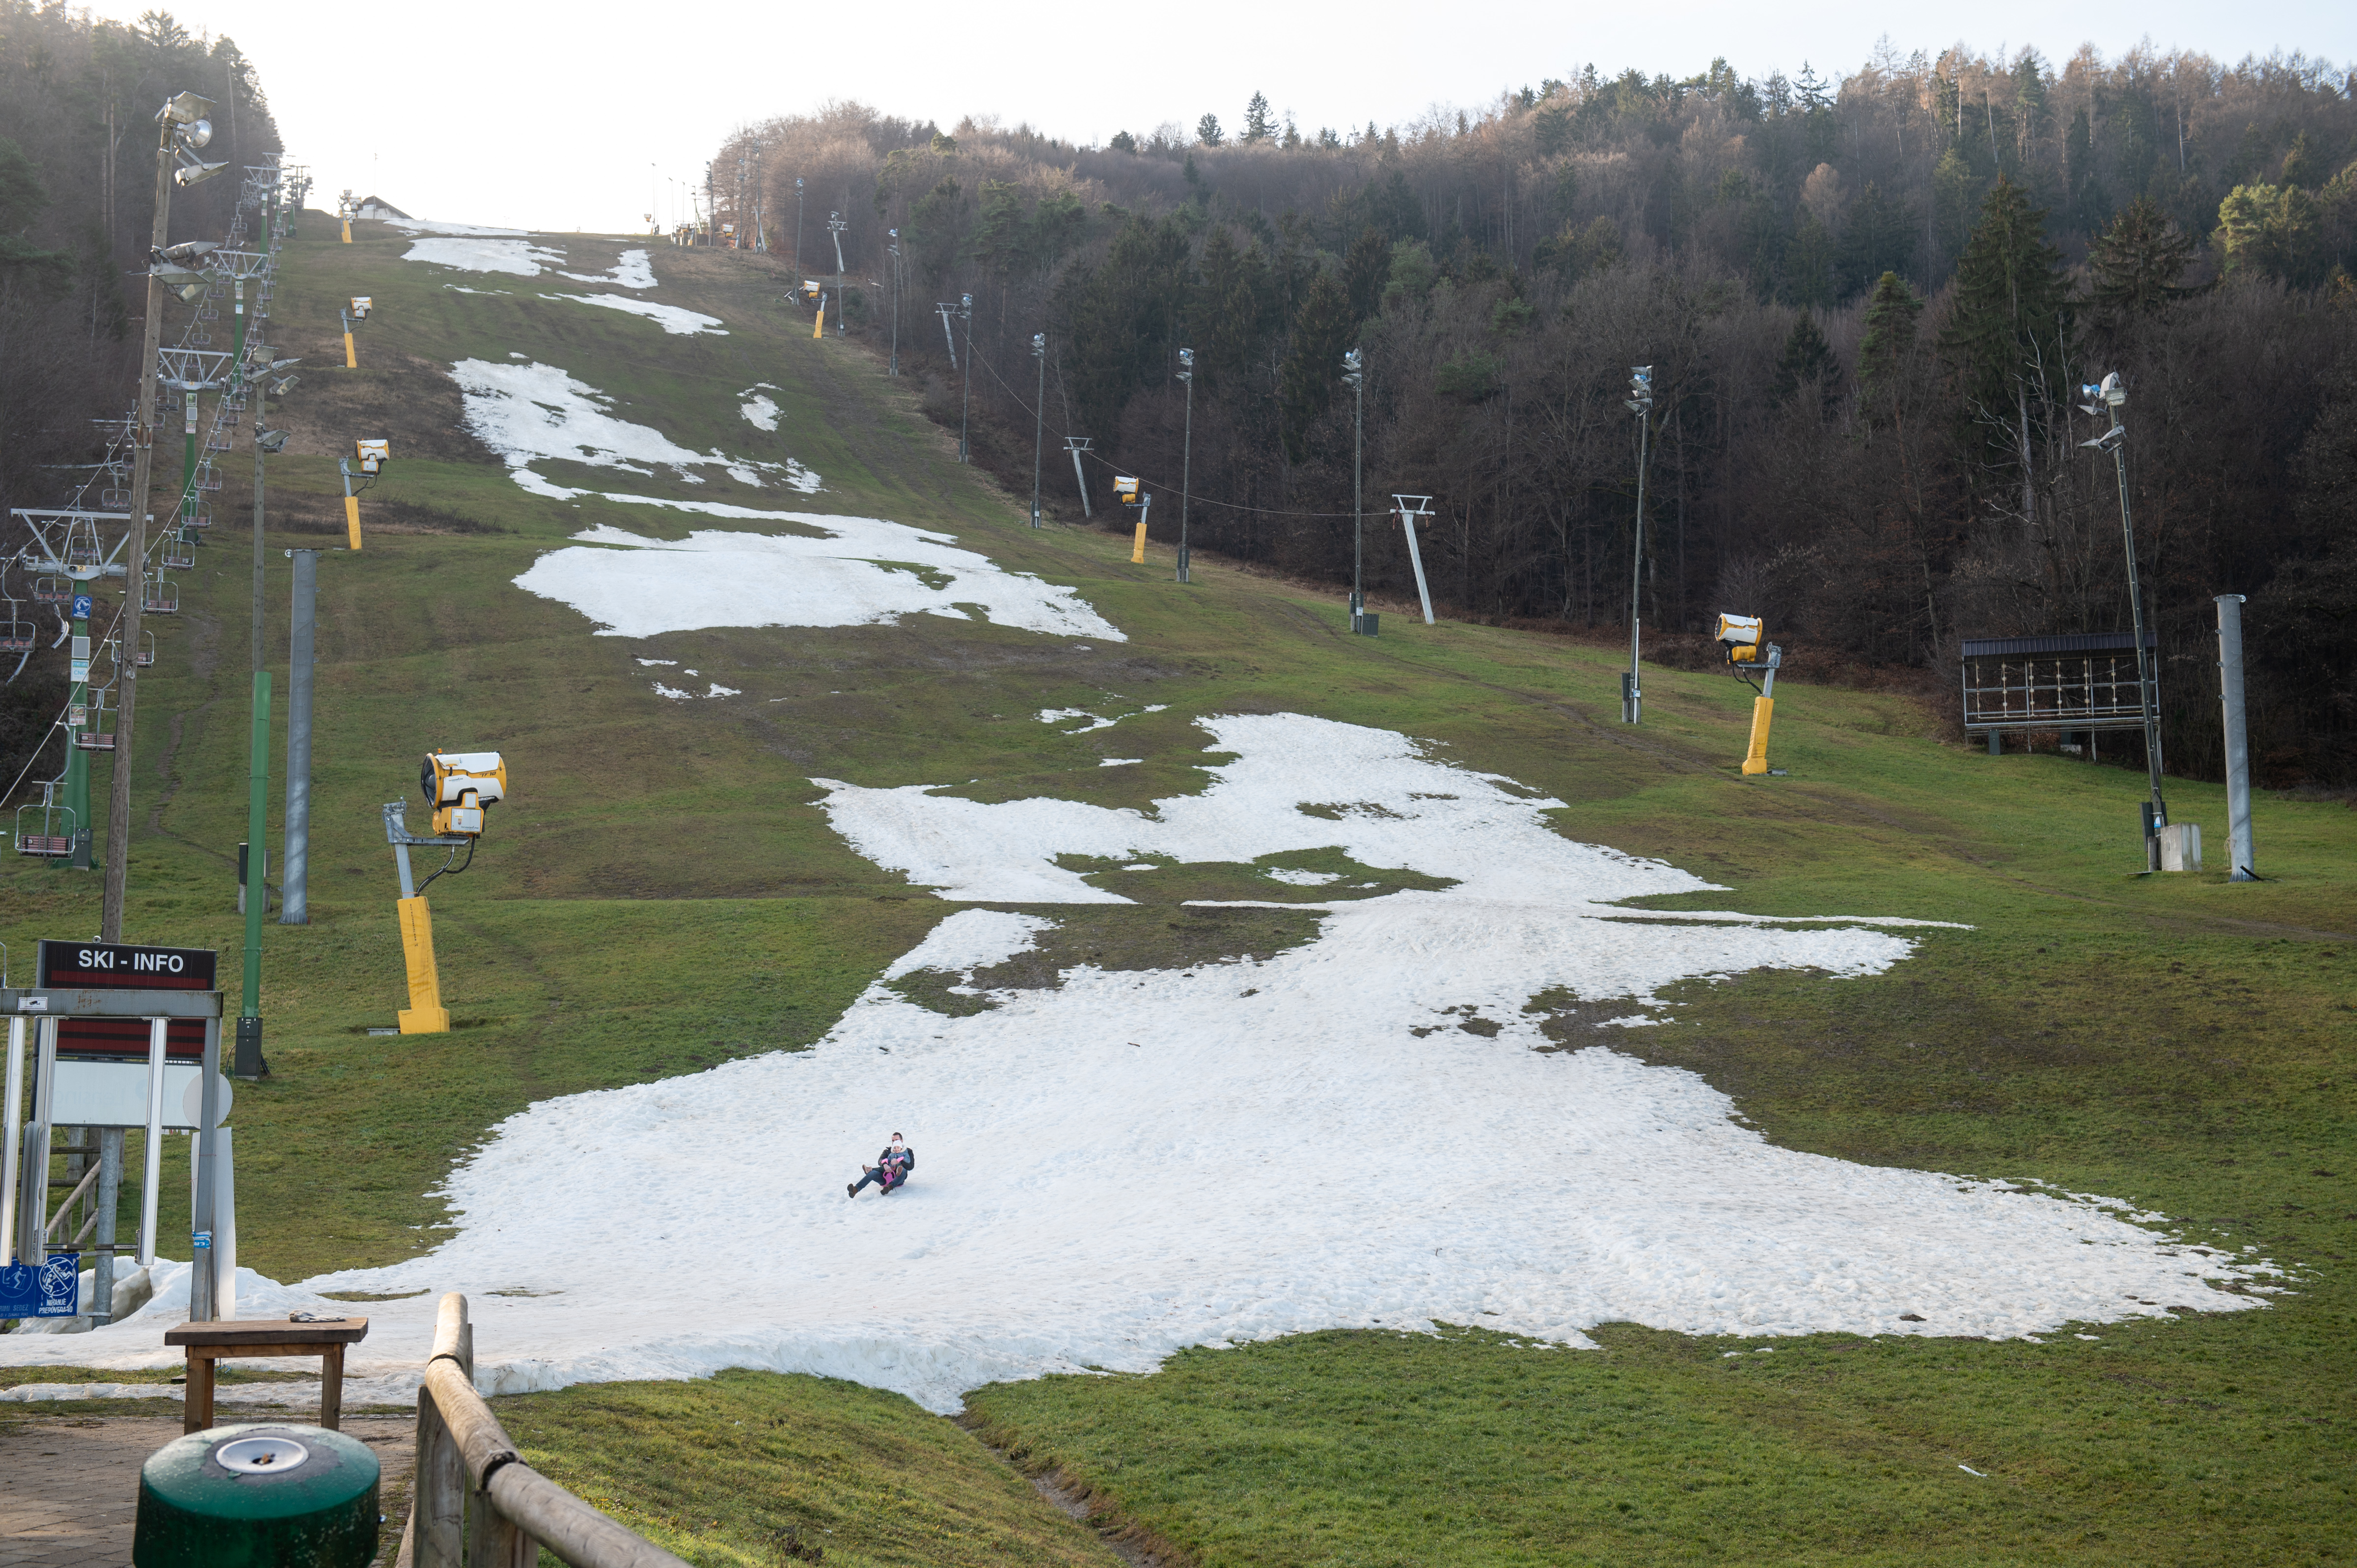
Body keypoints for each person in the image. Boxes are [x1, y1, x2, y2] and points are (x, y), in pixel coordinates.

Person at [847, 1133, 915, 1198]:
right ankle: (855, 1189)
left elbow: (911, 1166)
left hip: (899, 1178)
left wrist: (898, 1162)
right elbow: (880, 1160)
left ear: (902, 1141)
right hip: (885, 1177)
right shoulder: (888, 1151)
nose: (894, 1142)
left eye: (897, 1140)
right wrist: (885, 1165)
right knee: (873, 1173)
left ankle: (890, 1187)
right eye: (893, 1140)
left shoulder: (908, 1152)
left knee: (903, 1170)